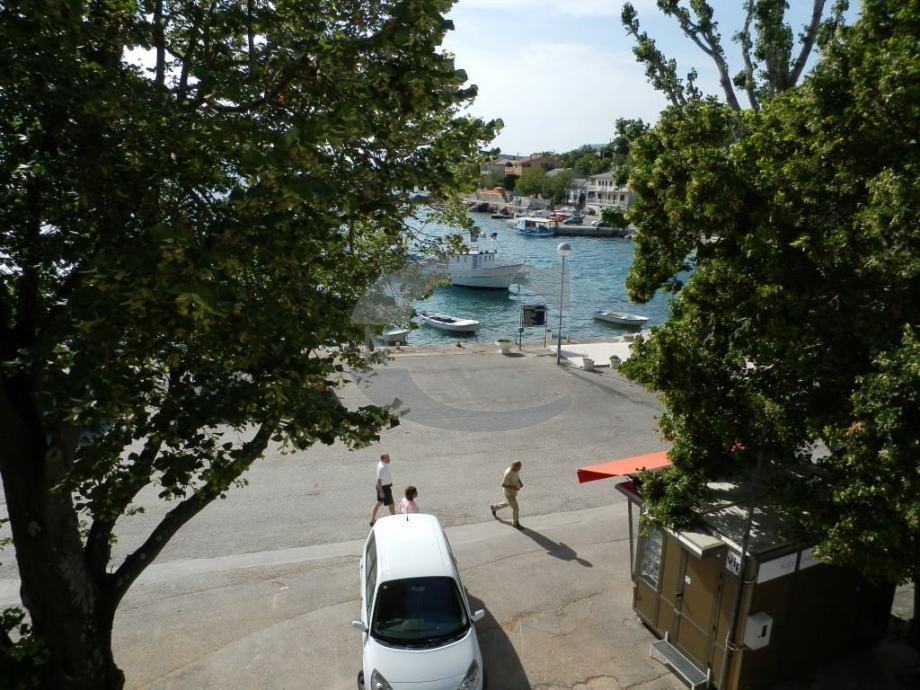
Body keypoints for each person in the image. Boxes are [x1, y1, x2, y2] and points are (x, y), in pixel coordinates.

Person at [490, 460, 524, 529]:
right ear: (514, 466)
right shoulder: (508, 473)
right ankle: (515, 523)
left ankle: (494, 507)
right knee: (516, 508)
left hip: (513, 491)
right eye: (519, 467)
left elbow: (517, 476)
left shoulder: (516, 469)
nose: (520, 469)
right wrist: (514, 487)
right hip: (509, 493)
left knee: (509, 503)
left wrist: (520, 482)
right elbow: (503, 484)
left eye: (520, 467)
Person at [369, 453, 395, 526]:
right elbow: (379, 481)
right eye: (387, 458)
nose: (389, 459)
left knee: (379, 503)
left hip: (384, 487)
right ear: (383, 459)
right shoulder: (382, 468)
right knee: (391, 504)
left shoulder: (382, 463)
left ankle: (372, 519)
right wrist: (381, 492)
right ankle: (395, 519)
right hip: (384, 488)